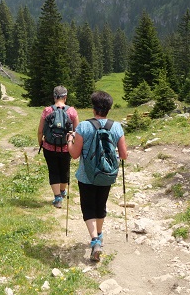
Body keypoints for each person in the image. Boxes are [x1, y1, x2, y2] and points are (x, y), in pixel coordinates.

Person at [67, 90, 128, 262]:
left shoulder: (84, 126)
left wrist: (69, 140)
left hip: (86, 176)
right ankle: (99, 237)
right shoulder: (116, 127)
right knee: (101, 205)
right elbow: (123, 155)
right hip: (106, 175)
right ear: (108, 109)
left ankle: (94, 240)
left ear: (94, 108)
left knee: (88, 207)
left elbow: (74, 154)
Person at [37, 85, 79, 208]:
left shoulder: (47, 110)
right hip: (66, 147)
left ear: (54, 97)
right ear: (65, 97)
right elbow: (77, 131)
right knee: (64, 169)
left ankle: (57, 198)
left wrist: (40, 142)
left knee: (53, 170)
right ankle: (62, 191)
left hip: (49, 146)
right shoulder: (72, 111)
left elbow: (40, 131)